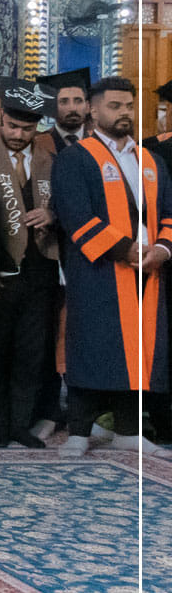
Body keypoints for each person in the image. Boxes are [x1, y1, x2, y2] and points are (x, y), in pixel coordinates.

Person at [53, 76, 172, 457]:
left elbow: (168, 214)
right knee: (91, 345)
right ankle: (78, 431)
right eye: (115, 106)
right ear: (93, 109)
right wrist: (125, 250)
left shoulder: (150, 161)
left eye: (129, 107)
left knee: (137, 348)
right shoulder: (76, 157)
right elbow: (75, 216)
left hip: (148, 270)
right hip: (98, 269)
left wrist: (163, 249)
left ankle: (127, 429)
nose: (124, 113)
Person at [0, 83, 55, 449]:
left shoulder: (49, 160)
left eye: (27, 129)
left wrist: (52, 215)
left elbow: (66, 204)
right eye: (12, 126)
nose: (19, 135)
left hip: (39, 269)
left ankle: (21, 423)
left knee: (30, 351)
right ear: (0, 120)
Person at [36, 68, 91, 156]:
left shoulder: (99, 142)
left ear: (88, 107)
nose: (72, 108)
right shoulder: (39, 144)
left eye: (78, 101)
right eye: (64, 102)